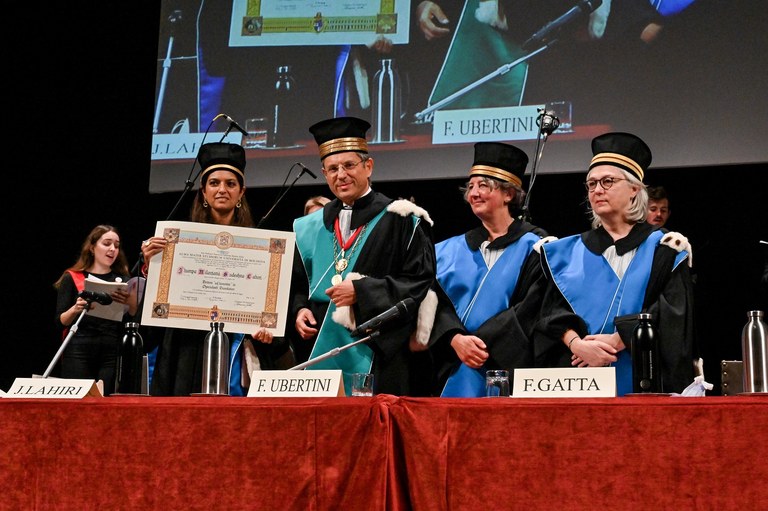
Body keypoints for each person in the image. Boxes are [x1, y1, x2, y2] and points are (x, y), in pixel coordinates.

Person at [535, 132, 697, 396]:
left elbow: (674, 315)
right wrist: (577, 345)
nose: (597, 190)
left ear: (635, 189)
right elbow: (548, 314)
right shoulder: (565, 252)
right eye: (591, 184)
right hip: (579, 380)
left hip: (643, 377)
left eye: (608, 181)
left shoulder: (664, 249)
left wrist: (619, 339)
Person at [290, 116, 436, 396]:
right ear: (324, 174)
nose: (341, 175)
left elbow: (420, 283)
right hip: (319, 353)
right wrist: (299, 310)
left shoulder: (402, 219)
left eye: (349, 165)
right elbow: (298, 284)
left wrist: (363, 291)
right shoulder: (309, 226)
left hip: (378, 354)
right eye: (333, 169)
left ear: (368, 166)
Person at [140, 142, 280, 396]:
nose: (222, 189)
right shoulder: (176, 245)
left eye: (230, 184)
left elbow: (273, 318)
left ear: (241, 192)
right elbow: (147, 330)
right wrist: (155, 268)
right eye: (214, 183)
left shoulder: (261, 249)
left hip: (237, 351)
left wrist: (267, 332)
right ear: (203, 191)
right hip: (185, 353)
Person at [415, 142, 553, 397]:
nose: (474, 193)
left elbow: (532, 308)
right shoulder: (445, 251)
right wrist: (455, 339)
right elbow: (432, 302)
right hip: (452, 363)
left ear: (508, 194)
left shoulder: (537, 247)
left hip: (508, 369)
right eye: (471, 187)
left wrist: (480, 343)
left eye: (484, 186)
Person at [53, 224, 138, 395]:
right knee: (79, 400)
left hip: (111, 351)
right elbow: (60, 322)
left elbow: (132, 321)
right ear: (92, 248)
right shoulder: (72, 277)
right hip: (78, 349)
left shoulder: (124, 281)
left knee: (105, 401)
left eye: (116, 245)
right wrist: (76, 308)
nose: (112, 249)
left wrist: (132, 304)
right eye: (106, 243)